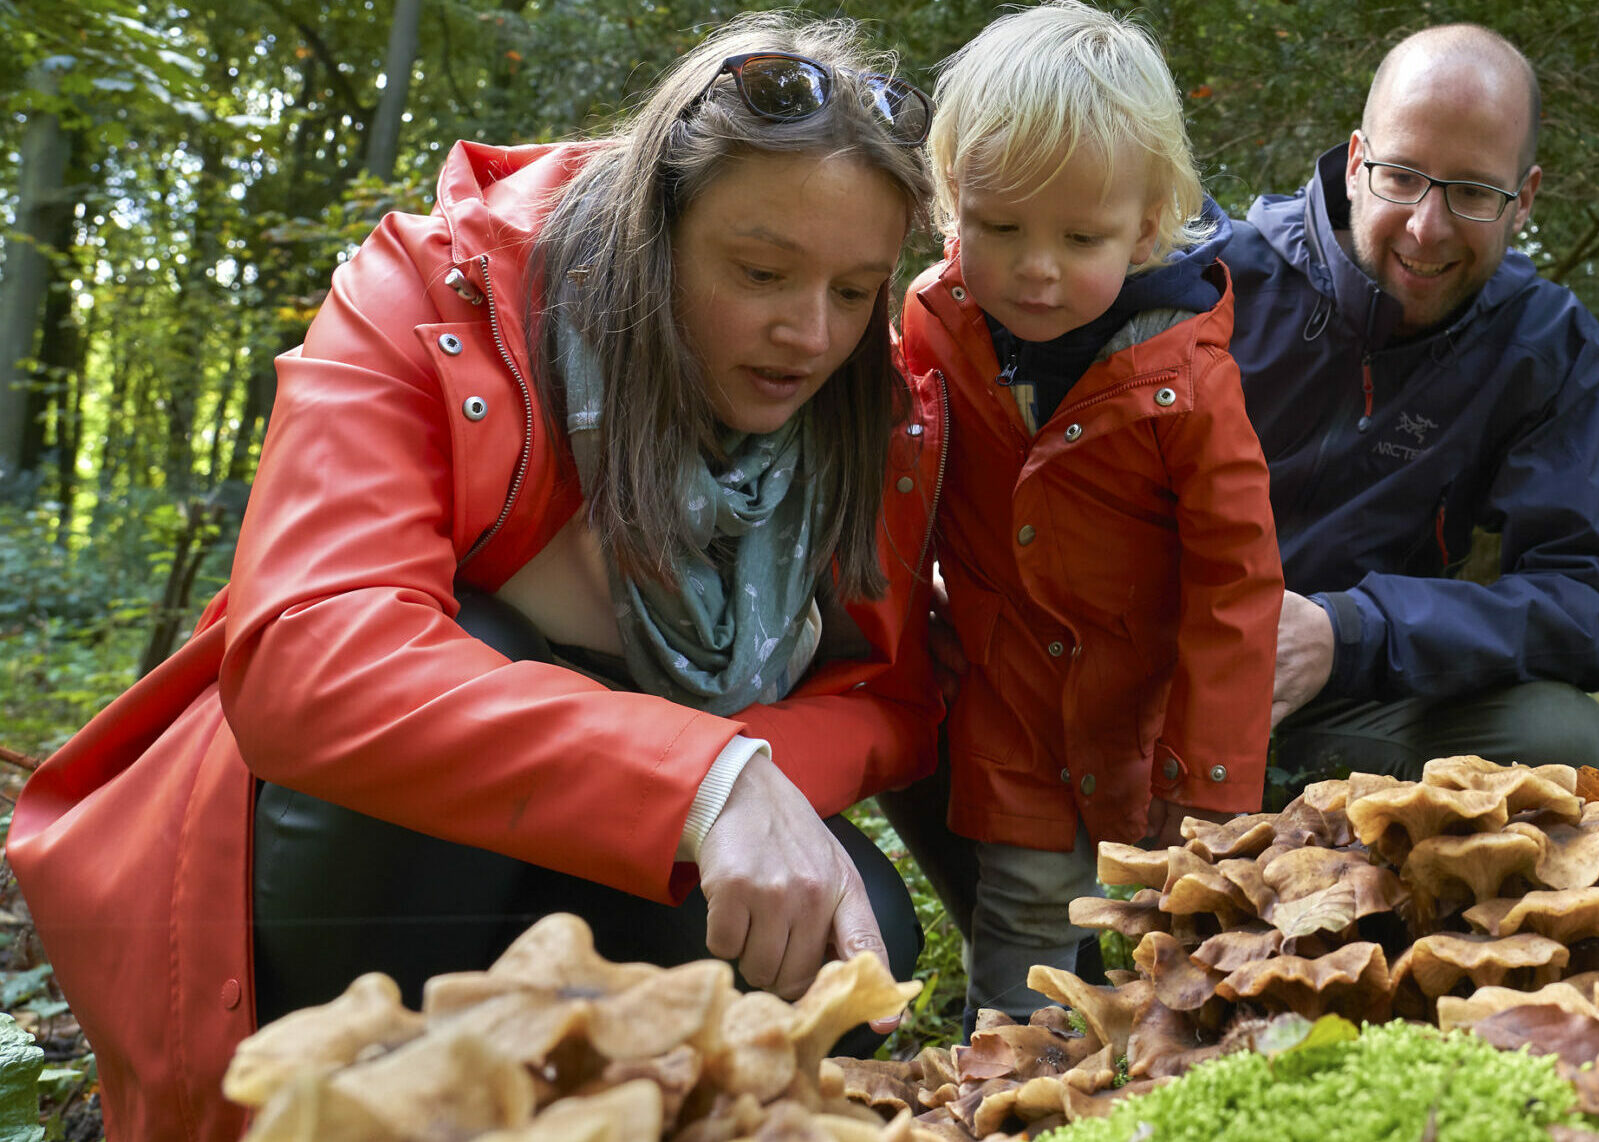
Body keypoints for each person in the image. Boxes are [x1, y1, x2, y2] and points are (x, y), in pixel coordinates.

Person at [6, 14, 946, 1140]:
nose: (810, 333)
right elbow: (312, 654)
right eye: (760, 272)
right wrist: (697, 774)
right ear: (657, 231)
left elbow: (884, 691)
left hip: (622, 848)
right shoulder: (430, 295)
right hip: (361, 859)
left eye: (855, 290)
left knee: (854, 930)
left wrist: (733, 775)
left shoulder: (872, 411)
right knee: (483, 644)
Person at [882, 0, 1283, 1026]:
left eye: (1079, 236)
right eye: (999, 227)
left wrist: (1210, 771)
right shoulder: (934, 323)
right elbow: (903, 483)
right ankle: (1006, 1082)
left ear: (1144, 227)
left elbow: (1236, 580)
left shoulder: (1186, 377)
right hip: (1010, 698)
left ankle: (1176, 1077)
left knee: (1177, 921)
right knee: (1022, 912)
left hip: (1148, 710)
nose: (1036, 266)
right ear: (950, 203)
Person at [1223, 23, 1599, 795]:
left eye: (1474, 192)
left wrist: (1353, 633)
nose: (1427, 227)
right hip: (1146, 688)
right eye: (1401, 176)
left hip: (1349, 704)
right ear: (1357, 164)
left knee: (1572, 749)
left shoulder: (1542, 346)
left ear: (1524, 200)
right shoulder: (1217, 285)